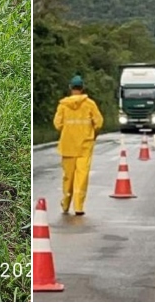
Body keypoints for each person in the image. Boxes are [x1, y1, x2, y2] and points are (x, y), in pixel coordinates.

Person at [54, 74, 104, 216]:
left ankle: (65, 204)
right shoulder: (90, 104)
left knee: (67, 177)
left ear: (70, 88)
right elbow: (99, 122)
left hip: (67, 146)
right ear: (82, 88)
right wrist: (92, 131)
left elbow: (57, 124)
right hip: (85, 146)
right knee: (81, 176)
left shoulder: (63, 105)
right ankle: (78, 207)